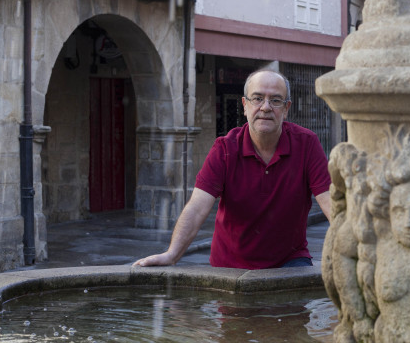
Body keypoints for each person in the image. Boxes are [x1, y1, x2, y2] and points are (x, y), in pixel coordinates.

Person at [133, 68, 332, 269]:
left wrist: (357, 247)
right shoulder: (225, 149)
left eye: (276, 100)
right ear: (244, 105)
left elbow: (330, 201)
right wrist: (172, 254)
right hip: (230, 266)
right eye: (257, 98)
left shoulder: (307, 144)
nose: (265, 107)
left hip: (290, 261)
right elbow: (197, 207)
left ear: (286, 108)